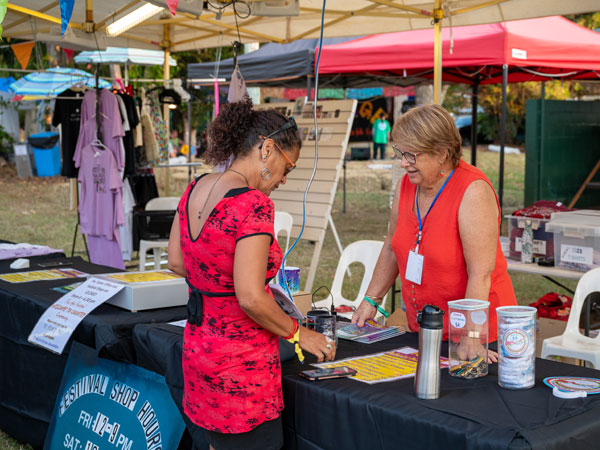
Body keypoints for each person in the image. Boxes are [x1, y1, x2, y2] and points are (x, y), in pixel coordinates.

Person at [167, 98, 336, 450]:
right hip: (241, 372)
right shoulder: (253, 204)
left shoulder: (194, 187)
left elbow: (177, 263)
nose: (285, 179)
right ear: (267, 149)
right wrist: (299, 334)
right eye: (287, 167)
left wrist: (216, 284)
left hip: (199, 350)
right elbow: (250, 296)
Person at [353, 104, 516, 360]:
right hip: (428, 327)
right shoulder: (406, 185)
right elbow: (391, 247)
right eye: (400, 152)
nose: (404, 163)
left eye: (412, 155)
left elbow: (480, 274)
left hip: (480, 335)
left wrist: (471, 337)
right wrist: (371, 300)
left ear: (442, 153)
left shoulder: (472, 190)